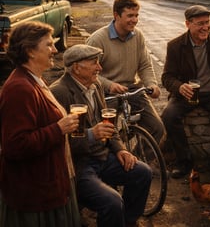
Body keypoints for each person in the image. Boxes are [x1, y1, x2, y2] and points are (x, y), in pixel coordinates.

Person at [50, 44, 152, 227]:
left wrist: (121, 149)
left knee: (143, 172)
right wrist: (91, 134)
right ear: (76, 67)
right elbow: (58, 142)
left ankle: (127, 221)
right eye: (94, 63)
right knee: (112, 202)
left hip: (103, 157)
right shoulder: (59, 92)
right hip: (79, 165)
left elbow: (107, 124)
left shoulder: (95, 84)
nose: (100, 68)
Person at [0, 21, 81, 227]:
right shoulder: (19, 89)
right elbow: (15, 145)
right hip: (34, 196)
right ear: (30, 51)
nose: (55, 49)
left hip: (47, 185)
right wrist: (58, 128)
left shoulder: (35, 80)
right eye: (48, 45)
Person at [161, 5, 210, 181]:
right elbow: (167, 77)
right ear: (188, 24)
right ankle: (184, 161)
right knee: (169, 116)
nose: (205, 27)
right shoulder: (175, 45)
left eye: (208, 22)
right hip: (188, 95)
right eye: (200, 23)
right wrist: (180, 87)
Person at [86, 0, 165, 145]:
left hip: (131, 88)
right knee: (107, 136)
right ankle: (114, 161)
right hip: (105, 92)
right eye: (130, 16)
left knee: (157, 127)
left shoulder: (138, 36)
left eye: (136, 15)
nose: (134, 20)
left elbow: (145, 65)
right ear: (116, 15)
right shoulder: (98, 39)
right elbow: (86, 74)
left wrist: (151, 84)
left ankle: (138, 162)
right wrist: (109, 85)